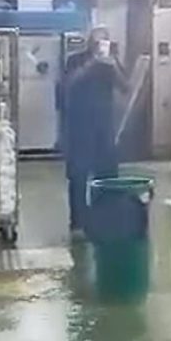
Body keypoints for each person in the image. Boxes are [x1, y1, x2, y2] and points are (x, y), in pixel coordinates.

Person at [63, 26, 128, 237]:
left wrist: (113, 63)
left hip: (104, 126)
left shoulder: (110, 63)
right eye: (97, 39)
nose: (100, 43)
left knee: (107, 174)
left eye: (105, 40)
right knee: (79, 175)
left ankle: (106, 217)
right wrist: (92, 64)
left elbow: (125, 87)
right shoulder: (75, 60)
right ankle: (78, 223)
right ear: (89, 41)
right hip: (79, 126)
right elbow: (68, 86)